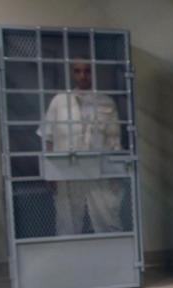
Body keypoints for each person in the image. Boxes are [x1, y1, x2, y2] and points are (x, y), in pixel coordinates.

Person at [38, 60, 125, 235]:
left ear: (93, 73)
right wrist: (50, 171)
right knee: (67, 218)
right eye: (77, 71)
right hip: (66, 169)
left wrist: (116, 172)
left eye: (87, 71)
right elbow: (48, 137)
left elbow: (114, 140)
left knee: (106, 216)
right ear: (72, 73)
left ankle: (111, 248)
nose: (83, 76)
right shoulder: (59, 101)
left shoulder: (106, 102)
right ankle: (69, 251)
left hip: (98, 168)